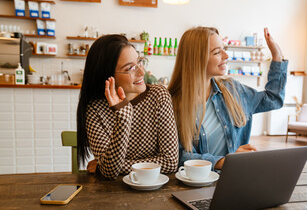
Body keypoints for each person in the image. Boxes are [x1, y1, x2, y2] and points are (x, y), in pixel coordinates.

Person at [168, 27, 287, 169]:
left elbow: (273, 99)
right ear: (196, 59)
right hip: (197, 185)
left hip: (234, 180)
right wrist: (225, 162)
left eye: (223, 49)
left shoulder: (232, 90)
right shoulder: (172, 103)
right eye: (217, 52)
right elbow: (182, 155)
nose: (226, 55)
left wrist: (277, 57)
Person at [77, 35, 179, 180]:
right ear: (107, 75)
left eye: (139, 62)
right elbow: (110, 172)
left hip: (154, 186)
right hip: (111, 193)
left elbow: (170, 162)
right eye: (130, 68)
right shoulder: (95, 109)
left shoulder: (159, 95)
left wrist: (112, 166)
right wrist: (123, 117)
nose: (141, 72)